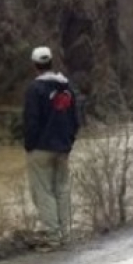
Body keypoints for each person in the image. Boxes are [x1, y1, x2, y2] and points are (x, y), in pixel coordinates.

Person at [23, 46, 80, 248]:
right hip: (63, 147)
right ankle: (65, 234)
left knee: (43, 192)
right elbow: (75, 119)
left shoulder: (34, 90)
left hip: (41, 148)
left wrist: (29, 145)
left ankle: (53, 236)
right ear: (51, 62)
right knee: (62, 190)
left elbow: (31, 121)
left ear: (35, 65)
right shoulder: (67, 88)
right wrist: (69, 142)